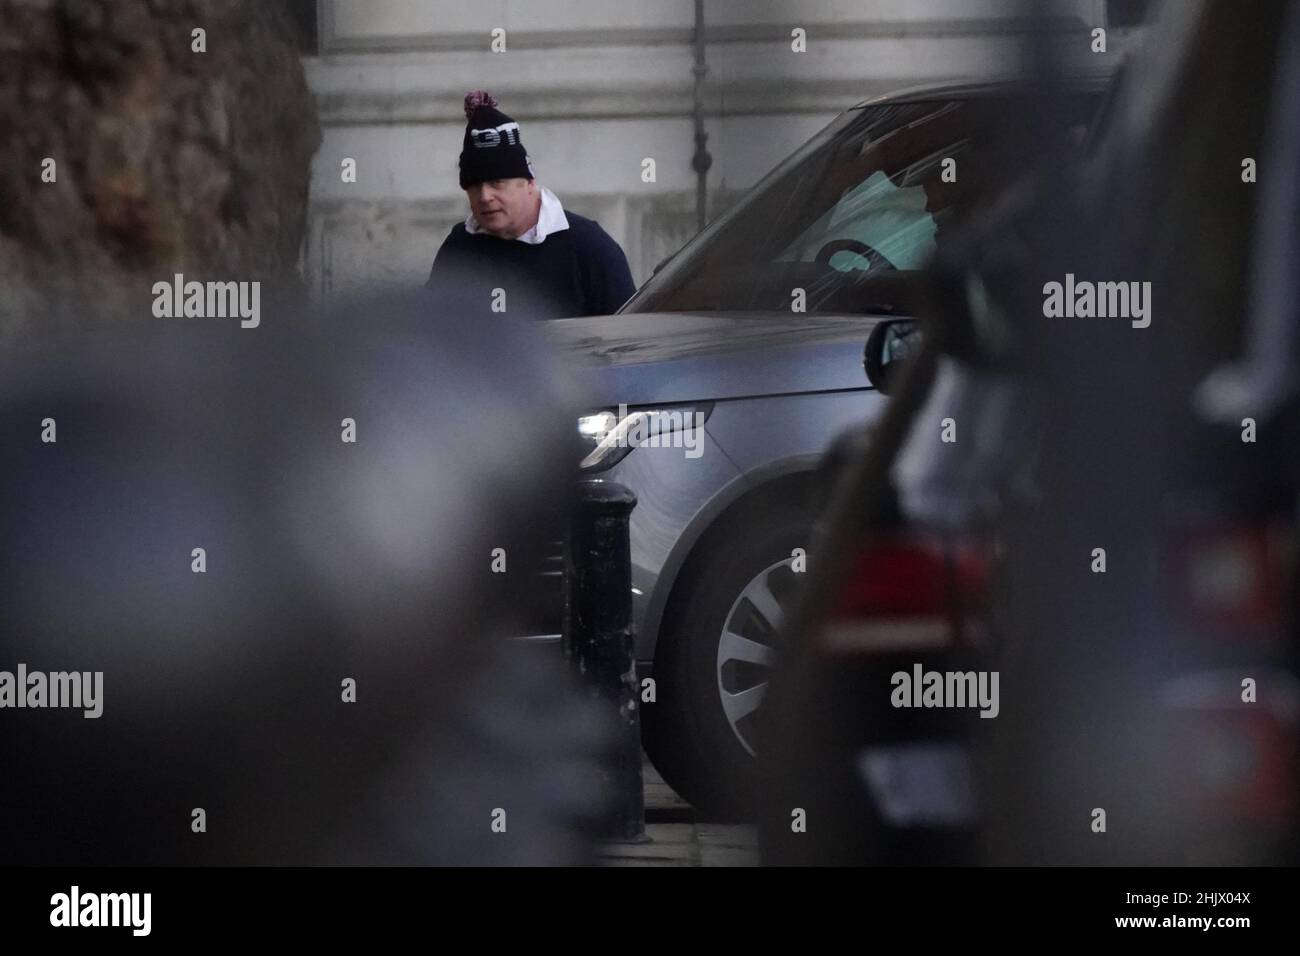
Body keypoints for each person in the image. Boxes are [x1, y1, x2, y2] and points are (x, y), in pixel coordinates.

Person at [426, 91, 636, 318]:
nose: (485, 196)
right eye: (475, 186)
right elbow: (430, 332)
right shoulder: (459, 249)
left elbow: (627, 338)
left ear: (529, 183)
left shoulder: (588, 248)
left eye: (498, 182)